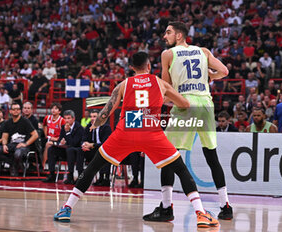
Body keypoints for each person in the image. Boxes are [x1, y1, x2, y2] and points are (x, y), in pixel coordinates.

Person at [54, 52, 219, 228]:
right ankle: (201, 213)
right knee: (181, 170)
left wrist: (95, 125)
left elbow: (107, 111)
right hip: (151, 131)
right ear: (149, 66)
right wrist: (164, 99)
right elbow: (184, 104)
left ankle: (67, 208)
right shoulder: (159, 83)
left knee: (93, 167)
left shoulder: (124, 84)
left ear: (132, 68)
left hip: (126, 130)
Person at [144, 21, 233, 221]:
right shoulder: (203, 51)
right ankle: (225, 206)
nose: (164, 36)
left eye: (168, 33)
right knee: (212, 156)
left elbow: (166, 88)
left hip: (186, 104)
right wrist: (210, 76)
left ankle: (166, 207)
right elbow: (225, 72)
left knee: (167, 154)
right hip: (206, 104)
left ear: (179, 36)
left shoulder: (168, 54)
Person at [0, 103, 38, 176]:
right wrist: (4, 145)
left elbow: (35, 135)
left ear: (20, 111)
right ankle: (14, 164)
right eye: (14, 109)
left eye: (18, 109)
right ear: (10, 111)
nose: (16, 111)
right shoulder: (7, 122)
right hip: (11, 145)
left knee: (18, 154)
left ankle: (14, 167)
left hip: (23, 146)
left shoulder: (25, 121)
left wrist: (26, 144)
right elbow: (5, 136)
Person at [43, 110, 84, 184]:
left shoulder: (79, 128)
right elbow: (60, 140)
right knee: (51, 149)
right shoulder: (63, 127)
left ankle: (70, 176)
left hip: (76, 152)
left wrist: (68, 132)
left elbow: (74, 143)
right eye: (65, 118)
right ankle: (52, 174)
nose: (67, 120)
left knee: (70, 150)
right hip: (65, 150)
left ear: (73, 118)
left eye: (69, 118)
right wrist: (60, 142)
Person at [79, 109, 112, 186]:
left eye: (94, 116)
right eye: (91, 117)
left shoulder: (106, 127)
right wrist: (84, 145)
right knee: (79, 151)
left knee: (102, 152)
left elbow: (105, 144)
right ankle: (80, 176)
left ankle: (104, 178)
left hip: (102, 150)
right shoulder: (88, 126)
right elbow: (83, 139)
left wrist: (92, 145)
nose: (92, 118)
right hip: (91, 150)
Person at [42, 103, 65, 168]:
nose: (53, 110)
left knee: (48, 144)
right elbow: (44, 125)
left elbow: (64, 134)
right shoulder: (47, 118)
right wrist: (46, 134)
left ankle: (44, 165)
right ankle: (38, 164)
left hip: (58, 140)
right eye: (52, 108)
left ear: (59, 111)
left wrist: (56, 138)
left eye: (56, 108)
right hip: (49, 138)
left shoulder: (62, 120)